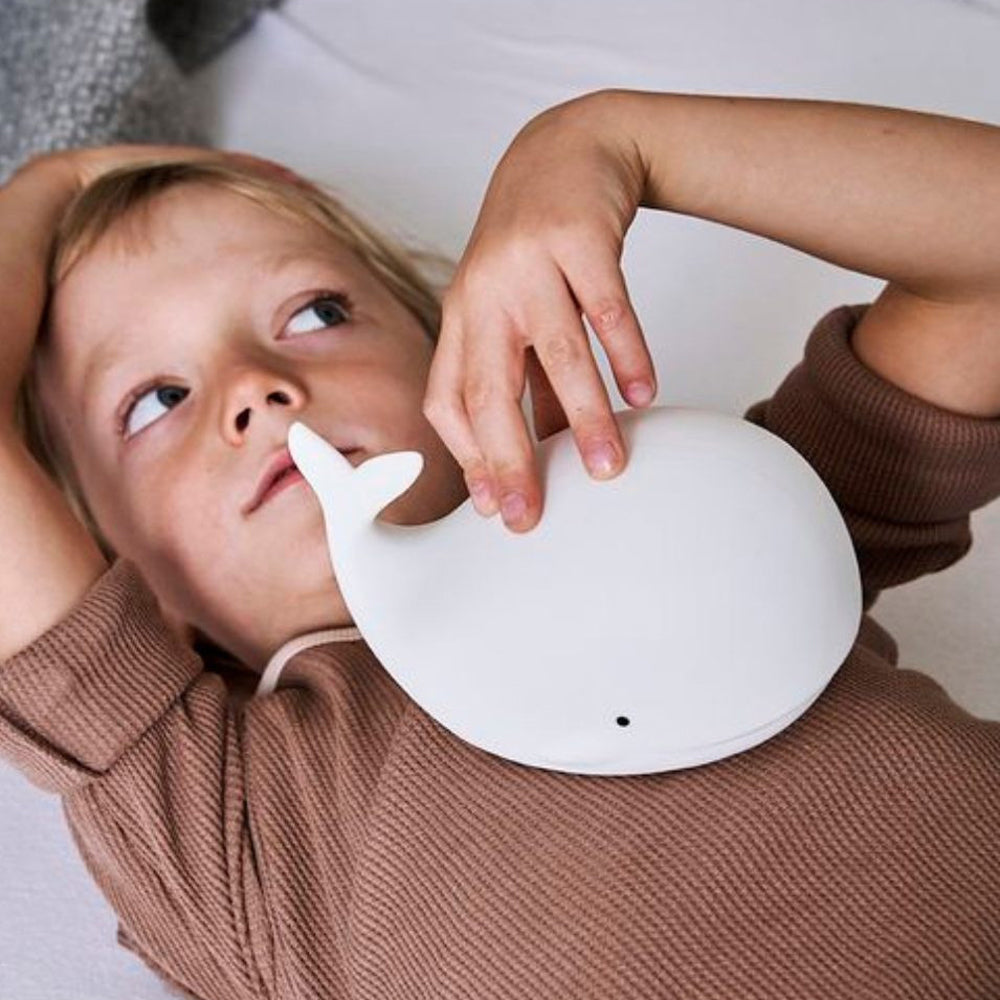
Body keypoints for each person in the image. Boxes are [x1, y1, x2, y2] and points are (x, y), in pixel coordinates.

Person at [0, 89, 998, 1000]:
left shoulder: (716, 515)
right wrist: (46, 182)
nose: (257, 387)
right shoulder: (218, 812)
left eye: (316, 312)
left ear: (471, 361)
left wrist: (607, 141)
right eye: (156, 400)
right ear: (119, 572)